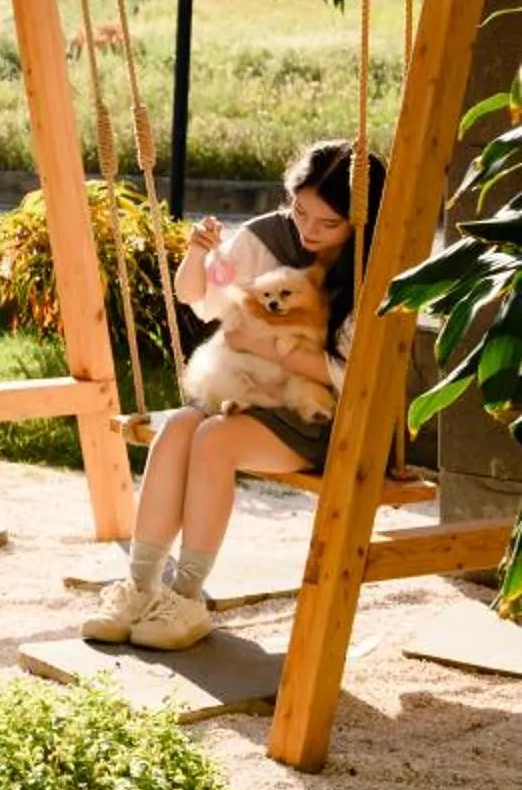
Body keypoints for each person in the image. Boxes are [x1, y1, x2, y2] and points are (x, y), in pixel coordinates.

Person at [82, 139, 381, 653]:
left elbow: (351, 375)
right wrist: (199, 255)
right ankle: (139, 587)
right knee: (177, 428)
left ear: (360, 218)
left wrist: (268, 345)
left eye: (327, 223)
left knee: (214, 441)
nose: (307, 231)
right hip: (243, 390)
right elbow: (202, 300)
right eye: (301, 211)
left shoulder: (370, 267)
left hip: (315, 409)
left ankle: (187, 598)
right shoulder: (268, 237)